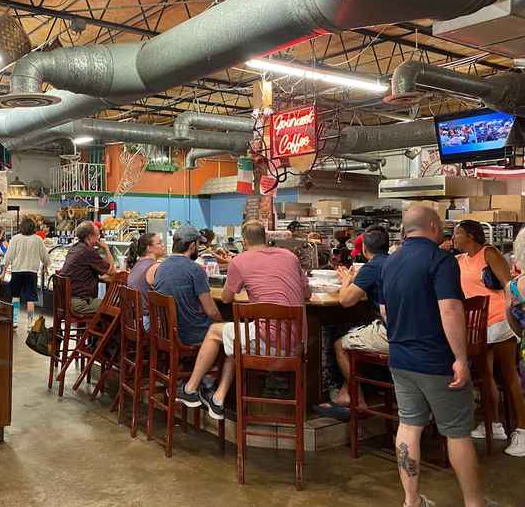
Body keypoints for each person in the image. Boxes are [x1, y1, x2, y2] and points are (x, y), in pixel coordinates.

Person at [383, 205, 484, 507]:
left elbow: (385, 310)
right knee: (457, 433)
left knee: (409, 426)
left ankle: (411, 501)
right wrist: (461, 359)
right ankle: (475, 503)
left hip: (400, 359)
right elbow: (450, 309)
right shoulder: (440, 260)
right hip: (437, 362)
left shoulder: (389, 262)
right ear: (431, 225)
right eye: (440, 226)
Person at [176, 220, 310, 420]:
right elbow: (306, 293)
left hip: (269, 344)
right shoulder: (290, 256)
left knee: (215, 331)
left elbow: (227, 298)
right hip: (299, 344)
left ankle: (190, 388)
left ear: (244, 241)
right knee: (236, 338)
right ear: (266, 238)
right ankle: (218, 399)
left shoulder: (240, 261)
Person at [453, 220, 525, 457]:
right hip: (477, 328)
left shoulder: (489, 253)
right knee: (486, 376)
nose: (454, 238)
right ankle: (493, 425)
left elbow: (508, 286)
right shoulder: (460, 260)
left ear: (471, 236)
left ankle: (522, 431)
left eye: (458, 234)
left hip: (500, 321)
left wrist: (512, 316)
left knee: (509, 375)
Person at [316, 225, 390, 419]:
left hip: (390, 334)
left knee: (340, 345)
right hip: (407, 333)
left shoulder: (372, 267)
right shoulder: (393, 263)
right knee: (357, 334)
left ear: (365, 249)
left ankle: (357, 400)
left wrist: (347, 280)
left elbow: (345, 301)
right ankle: (345, 393)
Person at [153, 225, 222, 346]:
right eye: (198, 244)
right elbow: (211, 311)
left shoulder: (160, 267)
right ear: (192, 246)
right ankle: (213, 365)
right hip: (191, 335)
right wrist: (223, 322)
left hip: (165, 333)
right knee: (231, 337)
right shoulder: (195, 269)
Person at [3, 217, 51, 330]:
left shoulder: (15, 239)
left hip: (17, 271)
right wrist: (46, 265)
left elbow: (8, 255)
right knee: (30, 299)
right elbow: (45, 255)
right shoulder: (38, 239)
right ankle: (29, 324)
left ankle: (14, 321)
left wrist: (3, 269)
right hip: (31, 272)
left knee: (15, 296)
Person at [60, 221, 116, 315]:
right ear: (90, 236)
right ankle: (103, 330)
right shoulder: (88, 251)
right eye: (97, 236)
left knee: (108, 304)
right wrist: (106, 248)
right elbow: (112, 271)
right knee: (115, 305)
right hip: (80, 302)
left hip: (65, 300)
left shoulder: (74, 248)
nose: (99, 239)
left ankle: (90, 329)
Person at [125, 232, 165, 330]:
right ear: (149, 248)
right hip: (146, 322)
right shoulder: (155, 267)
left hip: (132, 321)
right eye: (159, 243)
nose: (163, 245)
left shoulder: (137, 264)